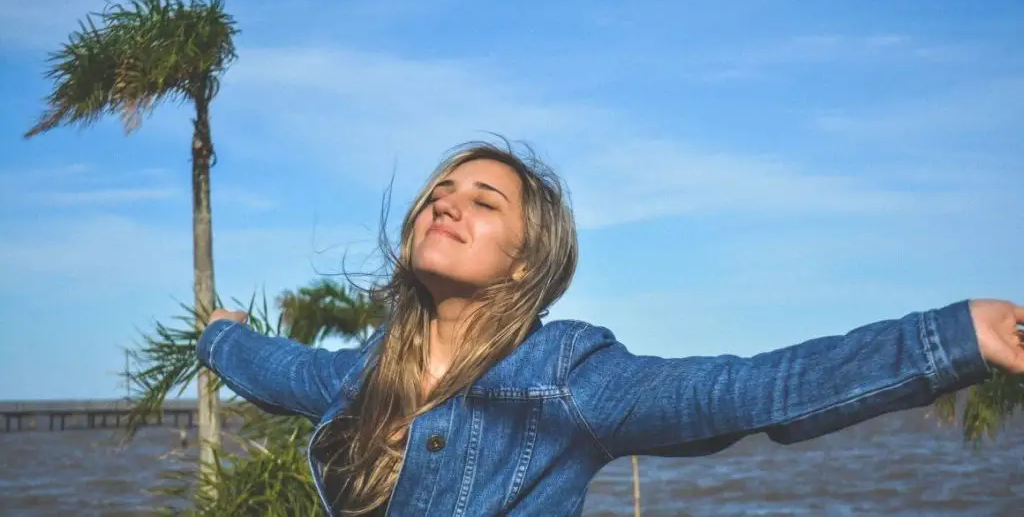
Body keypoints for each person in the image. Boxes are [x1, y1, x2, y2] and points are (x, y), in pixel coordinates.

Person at [198, 140, 1022, 517]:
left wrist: (953, 337)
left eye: (485, 201)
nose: (447, 199)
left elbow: (745, 391)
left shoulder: (567, 376)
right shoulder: (364, 373)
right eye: (443, 189)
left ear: (526, 262)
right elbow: (276, 367)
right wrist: (220, 336)